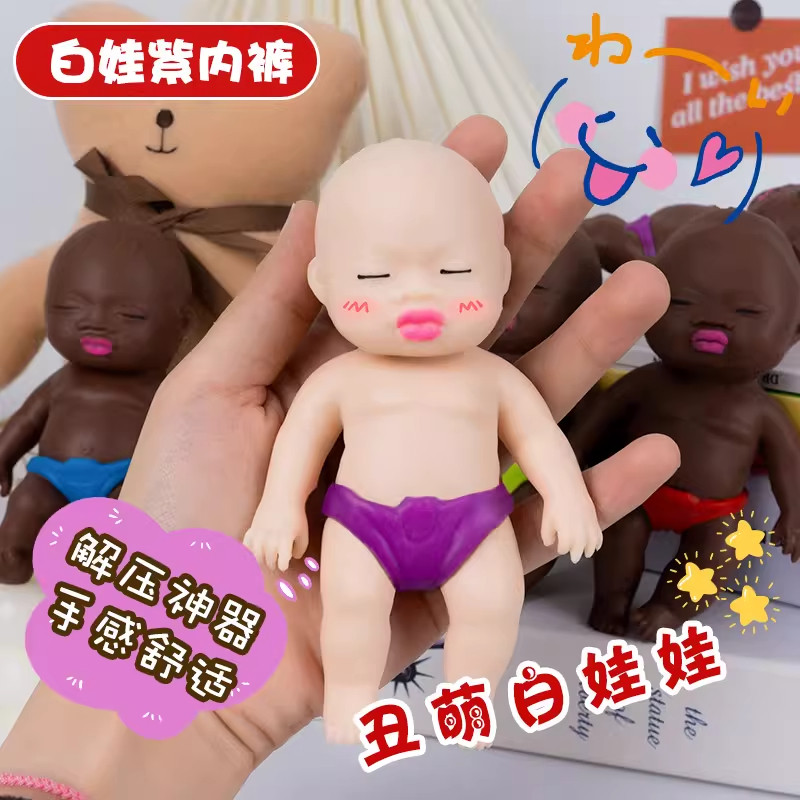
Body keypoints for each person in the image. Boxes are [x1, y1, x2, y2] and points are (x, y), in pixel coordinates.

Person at [0, 116, 679, 800]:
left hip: (474, 521)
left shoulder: (492, 377)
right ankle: (348, 697)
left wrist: (565, 496)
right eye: (376, 274)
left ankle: (468, 695)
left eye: (453, 272)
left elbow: (537, 439)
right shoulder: (342, 378)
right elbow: (298, 443)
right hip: (361, 524)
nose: (416, 295)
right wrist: (278, 509)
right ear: (322, 282)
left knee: (493, 602)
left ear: (500, 273)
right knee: (352, 609)